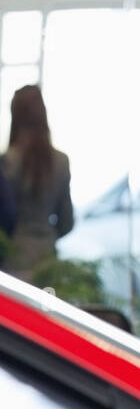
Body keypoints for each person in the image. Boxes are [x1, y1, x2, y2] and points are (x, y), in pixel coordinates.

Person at [2, 85, 74, 283]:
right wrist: (46, 235)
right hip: (48, 262)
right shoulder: (61, 161)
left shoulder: (7, 162)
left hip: (12, 260)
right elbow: (67, 222)